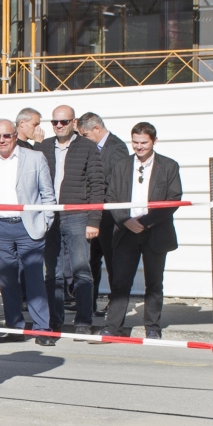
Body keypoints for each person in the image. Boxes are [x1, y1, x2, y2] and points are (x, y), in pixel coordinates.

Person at [102, 122, 183, 339]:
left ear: (154, 141)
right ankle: (112, 327)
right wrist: (126, 220)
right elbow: (111, 198)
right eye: (135, 143)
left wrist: (146, 222)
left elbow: (173, 200)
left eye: (144, 143)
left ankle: (153, 328)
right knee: (120, 281)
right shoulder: (121, 165)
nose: (139, 147)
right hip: (126, 231)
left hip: (155, 231)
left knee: (154, 282)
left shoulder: (169, 166)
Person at [0, 118, 56, 344]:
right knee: (7, 281)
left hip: (28, 227)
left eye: (6, 135)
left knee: (34, 280)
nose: (2, 140)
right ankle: (15, 328)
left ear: (15, 135)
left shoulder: (35, 158)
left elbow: (48, 195)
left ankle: (43, 330)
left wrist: (44, 223)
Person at [37, 102, 104, 335]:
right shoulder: (43, 147)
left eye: (64, 121)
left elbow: (97, 185)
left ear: (74, 123)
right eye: (55, 122)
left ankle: (83, 321)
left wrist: (94, 220)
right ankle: (55, 320)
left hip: (77, 215)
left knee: (81, 270)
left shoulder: (87, 147)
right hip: (49, 216)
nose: (58, 125)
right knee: (52, 271)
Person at [80, 113, 125, 312]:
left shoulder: (117, 148)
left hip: (108, 216)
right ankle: (88, 303)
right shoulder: (91, 147)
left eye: (85, 134)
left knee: (112, 260)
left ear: (96, 129)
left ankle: (115, 304)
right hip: (91, 214)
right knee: (90, 260)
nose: (83, 139)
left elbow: (116, 180)